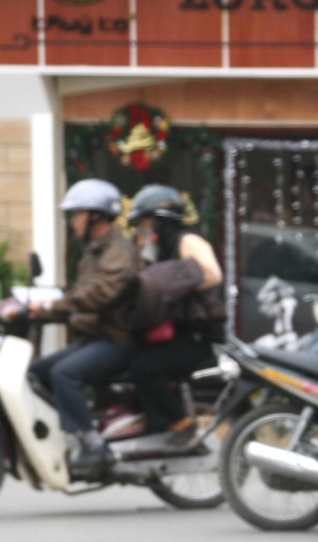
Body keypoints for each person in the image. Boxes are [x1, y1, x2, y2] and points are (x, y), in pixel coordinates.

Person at [28, 179, 141, 478]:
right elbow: (79, 293)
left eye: (76, 214)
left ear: (97, 215)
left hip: (118, 340)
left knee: (64, 373)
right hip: (95, 338)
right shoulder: (95, 252)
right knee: (37, 372)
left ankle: (92, 445)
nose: (72, 221)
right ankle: (78, 423)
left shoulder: (119, 251)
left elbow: (99, 294)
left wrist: (53, 306)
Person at [123, 184, 226, 448]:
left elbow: (213, 274)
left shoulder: (187, 241)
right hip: (176, 333)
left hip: (198, 336)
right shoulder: (159, 250)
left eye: (146, 222)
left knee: (145, 368)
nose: (143, 229)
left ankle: (182, 425)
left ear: (160, 220)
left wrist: (174, 282)